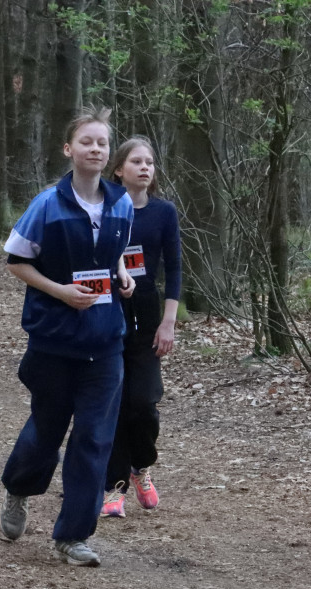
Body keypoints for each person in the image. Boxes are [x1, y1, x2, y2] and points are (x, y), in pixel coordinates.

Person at [0, 106, 136, 567]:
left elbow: (115, 252)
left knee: (94, 438)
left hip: (105, 342)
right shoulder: (47, 205)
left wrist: (122, 275)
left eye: (102, 143)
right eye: (86, 142)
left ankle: (73, 536)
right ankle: (18, 489)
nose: (95, 149)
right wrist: (60, 291)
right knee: (46, 433)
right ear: (68, 150)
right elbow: (16, 261)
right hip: (54, 341)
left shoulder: (121, 203)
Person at [100, 136, 182, 519]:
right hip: (108, 308)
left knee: (144, 402)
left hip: (148, 312)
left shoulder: (164, 212)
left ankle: (140, 466)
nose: (145, 168)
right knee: (114, 402)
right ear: (119, 169)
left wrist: (168, 322)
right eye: (136, 162)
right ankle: (113, 486)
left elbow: (175, 268)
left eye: (149, 162)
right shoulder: (104, 209)